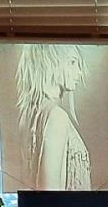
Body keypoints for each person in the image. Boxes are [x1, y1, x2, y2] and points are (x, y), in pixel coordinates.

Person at [13, 44, 91, 190]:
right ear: (50, 63)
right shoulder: (57, 116)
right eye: (72, 62)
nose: (79, 72)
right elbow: (49, 191)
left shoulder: (27, 114)